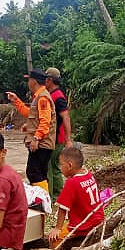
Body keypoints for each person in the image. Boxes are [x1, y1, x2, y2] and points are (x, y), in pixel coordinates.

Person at [6, 69, 56, 194]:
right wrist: (16, 100)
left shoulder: (43, 98)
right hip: (42, 143)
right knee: (38, 173)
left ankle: (42, 201)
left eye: (29, 80)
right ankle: (43, 200)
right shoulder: (39, 97)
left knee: (34, 172)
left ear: (33, 81)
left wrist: (36, 138)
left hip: (42, 143)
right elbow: (30, 114)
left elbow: (45, 121)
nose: (28, 82)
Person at [48, 146, 105, 249]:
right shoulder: (88, 174)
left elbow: (62, 208)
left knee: (54, 239)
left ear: (69, 165)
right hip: (98, 220)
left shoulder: (72, 183)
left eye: (61, 165)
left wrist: (57, 228)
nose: (60, 168)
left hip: (83, 226)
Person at [44, 67, 73, 198]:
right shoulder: (53, 95)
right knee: (55, 167)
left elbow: (66, 118)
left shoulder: (58, 97)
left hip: (57, 139)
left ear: (50, 80)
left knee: (49, 167)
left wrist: (68, 140)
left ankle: (50, 197)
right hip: (56, 138)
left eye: (45, 78)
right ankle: (57, 196)